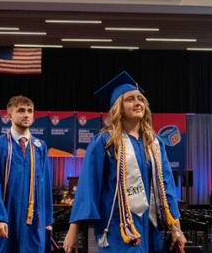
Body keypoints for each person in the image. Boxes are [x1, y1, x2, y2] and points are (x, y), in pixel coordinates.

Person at [64, 71, 186, 253]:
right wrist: (73, 230)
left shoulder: (154, 142)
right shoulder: (104, 142)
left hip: (151, 225)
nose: (138, 103)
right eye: (130, 99)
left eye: (140, 99)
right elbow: (88, 186)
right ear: (117, 107)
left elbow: (166, 186)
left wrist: (176, 228)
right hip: (118, 225)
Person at [0, 96, 53, 253]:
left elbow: (45, 184)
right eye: (21, 111)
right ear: (9, 115)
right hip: (6, 215)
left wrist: (48, 220)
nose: (26, 114)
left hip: (33, 218)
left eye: (29, 111)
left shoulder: (40, 147)